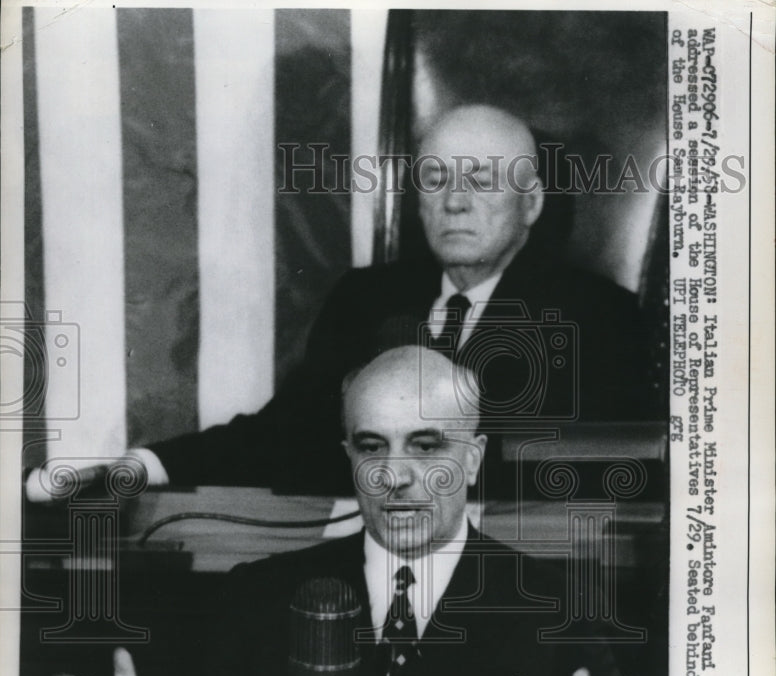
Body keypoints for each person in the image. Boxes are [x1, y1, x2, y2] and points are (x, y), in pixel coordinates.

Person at [31, 347, 642, 676]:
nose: (394, 476)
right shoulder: (258, 597)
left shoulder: (558, 606)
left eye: (426, 446)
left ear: (474, 459)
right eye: (373, 447)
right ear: (349, 457)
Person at [26, 104, 662, 501]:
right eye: (436, 179)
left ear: (532, 203)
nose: (455, 201)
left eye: (482, 179)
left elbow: (602, 474)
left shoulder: (598, 318)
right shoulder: (368, 298)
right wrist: (141, 466)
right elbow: (287, 433)